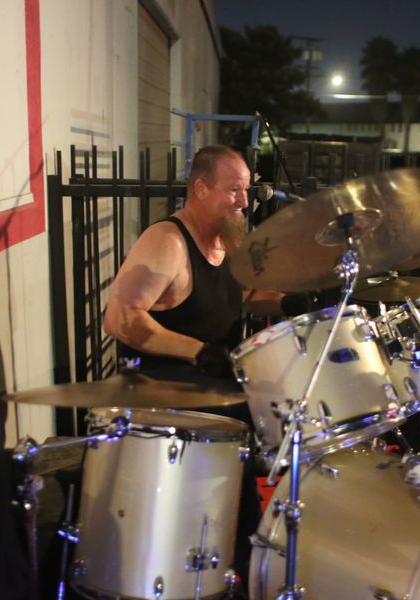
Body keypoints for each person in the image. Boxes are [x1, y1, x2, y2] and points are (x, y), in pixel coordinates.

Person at [103, 144, 282, 594]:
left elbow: (241, 297)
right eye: (234, 190)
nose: (244, 201)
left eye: (247, 190)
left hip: (213, 392)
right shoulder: (167, 242)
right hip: (163, 393)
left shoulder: (227, 241)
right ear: (201, 189)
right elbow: (121, 317)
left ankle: (237, 558)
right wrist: (198, 351)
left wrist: (293, 299)